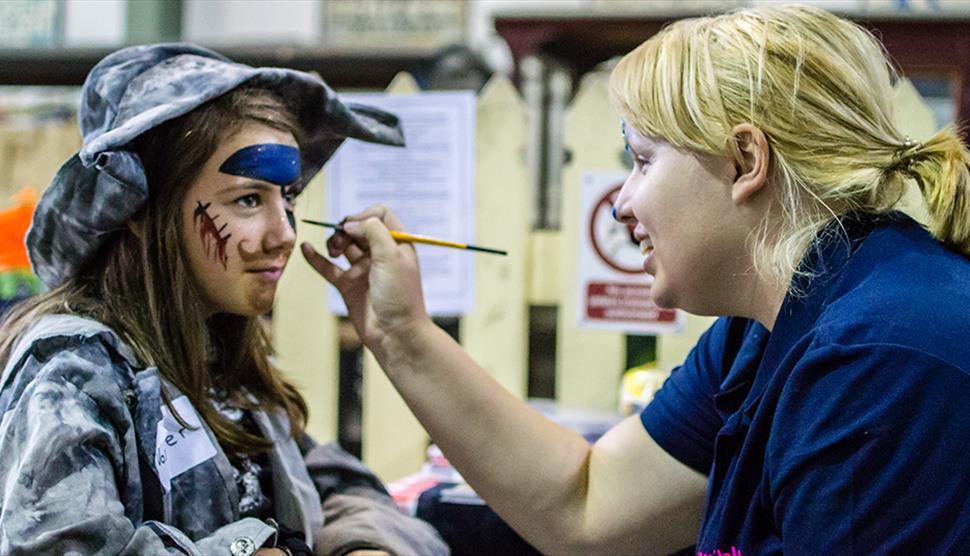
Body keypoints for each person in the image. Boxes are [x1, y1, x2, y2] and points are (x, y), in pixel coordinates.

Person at [303, 5, 970, 554]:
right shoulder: (765, 332)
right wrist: (398, 331)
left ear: (745, 160)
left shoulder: (876, 362)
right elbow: (588, 504)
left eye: (643, 161)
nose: (622, 202)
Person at [0, 44, 448, 556]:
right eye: (249, 199)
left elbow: (341, 489)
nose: (283, 233)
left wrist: (363, 544)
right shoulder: (75, 373)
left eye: (289, 198)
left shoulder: (222, 365)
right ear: (143, 212)